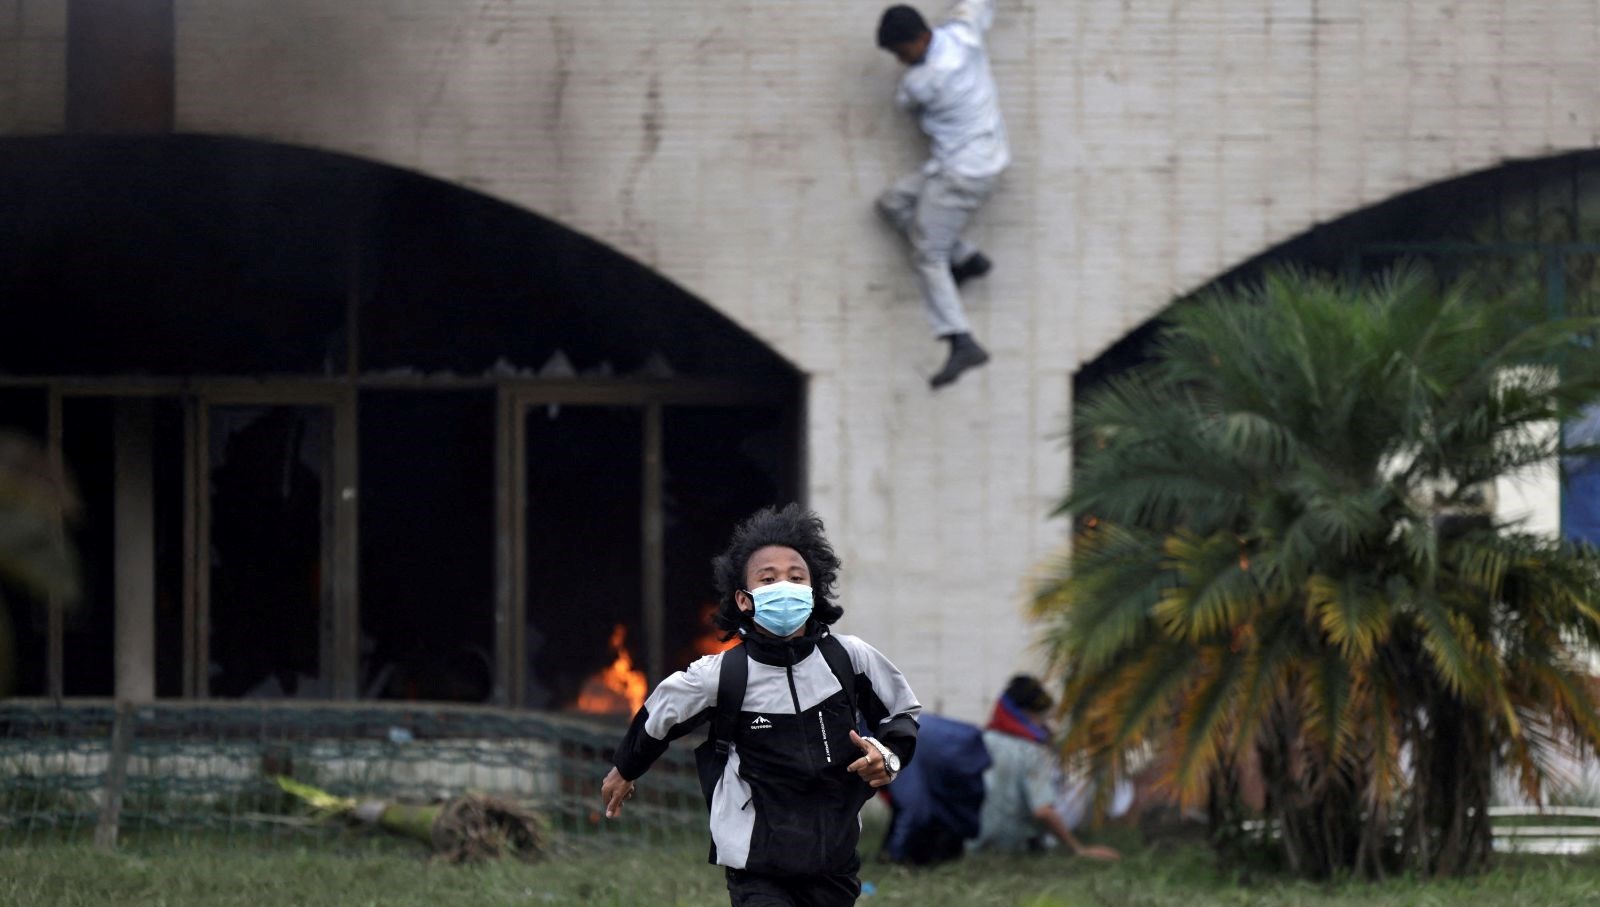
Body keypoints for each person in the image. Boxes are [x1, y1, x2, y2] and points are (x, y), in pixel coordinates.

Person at [601, 503, 922, 907]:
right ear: (744, 599)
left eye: (796, 577)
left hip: (834, 861)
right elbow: (660, 713)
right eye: (768, 580)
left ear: (812, 589)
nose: (783, 586)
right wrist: (625, 768)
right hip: (757, 866)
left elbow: (902, 715)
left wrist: (888, 758)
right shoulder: (722, 675)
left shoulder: (850, 658)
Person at [875, 1, 1009, 390]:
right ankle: (966, 260)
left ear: (920, 38)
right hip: (976, 159)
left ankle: (961, 340)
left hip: (961, 174)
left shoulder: (922, 82)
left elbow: (905, 102)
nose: (901, 62)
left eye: (902, 52)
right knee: (892, 204)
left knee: (927, 253)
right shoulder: (963, 35)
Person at [968, 674, 1121, 860]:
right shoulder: (1031, 752)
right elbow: (1042, 812)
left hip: (973, 844)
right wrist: (1078, 849)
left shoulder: (982, 740)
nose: (1046, 725)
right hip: (1012, 847)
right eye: (1043, 718)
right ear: (1029, 715)